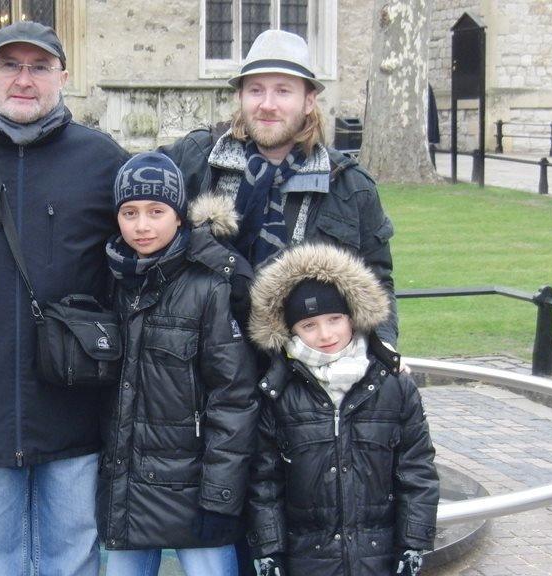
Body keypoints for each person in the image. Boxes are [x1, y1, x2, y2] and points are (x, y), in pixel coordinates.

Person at [0, 20, 130, 576]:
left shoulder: (103, 162)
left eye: (39, 67)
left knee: (71, 562)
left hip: (73, 406)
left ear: (63, 77)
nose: (24, 79)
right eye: (10, 66)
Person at [161, 29, 398, 344]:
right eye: (256, 90)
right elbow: (130, 197)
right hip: (205, 361)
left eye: (283, 91)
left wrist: (384, 354)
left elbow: (377, 283)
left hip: (298, 371)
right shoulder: (197, 159)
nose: (267, 105)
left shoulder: (349, 184)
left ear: (309, 100)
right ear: (241, 96)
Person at [97, 152, 259, 575]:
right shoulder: (110, 279)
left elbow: (233, 397)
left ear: (179, 216)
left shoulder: (208, 287)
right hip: (128, 490)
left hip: (194, 489)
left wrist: (221, 496)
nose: (142, 225)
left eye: (156, 211)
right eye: (129, 213)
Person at [244, 242, 439, 576]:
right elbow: (265, 481)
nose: (325, 334)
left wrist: (413, 543)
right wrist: (269, 549)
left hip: (378, 556)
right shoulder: (278, 393)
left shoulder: (393, 386)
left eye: (335, 319)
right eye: (309, 325)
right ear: (290, 330)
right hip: (308, 558)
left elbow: (416, 471)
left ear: (353, 317)